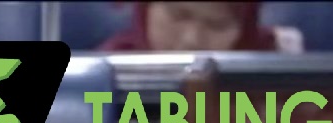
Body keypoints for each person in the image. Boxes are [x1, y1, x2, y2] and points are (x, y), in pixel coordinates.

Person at [98, 2, 303, 53]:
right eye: (179, 16)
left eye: (217, 25)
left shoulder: (284, 71)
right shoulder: (108, 71)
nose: (192, 40)